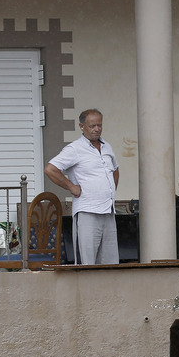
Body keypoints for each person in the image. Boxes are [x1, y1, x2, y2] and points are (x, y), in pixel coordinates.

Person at [44, 108, 119, 265]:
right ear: (82, 126)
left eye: (99, 125)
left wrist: (109, 191)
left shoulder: (107, 147)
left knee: (110, 263)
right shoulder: (74, 149)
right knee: (87, 263)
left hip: (108, 211)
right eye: (92, 126)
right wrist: (71, 186)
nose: (97, 129)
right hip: (87, 212)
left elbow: (115, 170)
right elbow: (50, 169)